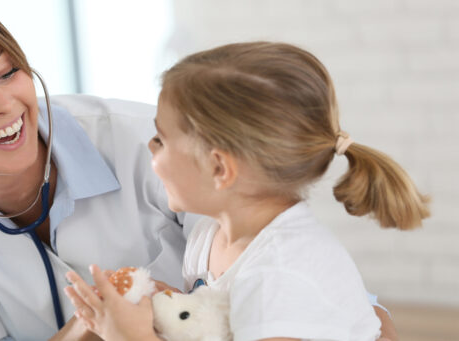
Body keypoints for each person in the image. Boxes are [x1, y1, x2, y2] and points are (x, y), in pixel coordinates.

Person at [0, 0, 399, 339]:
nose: (5, 107)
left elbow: (313, 301)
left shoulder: (150, 146)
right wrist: (100, 325)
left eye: (9, 71)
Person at [64, 42, 429, 341]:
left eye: (161, 139)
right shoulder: (212, 236)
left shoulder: (281, 275)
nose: (150, 149)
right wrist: (162, 301)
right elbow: (213, 322)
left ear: (219, 169)